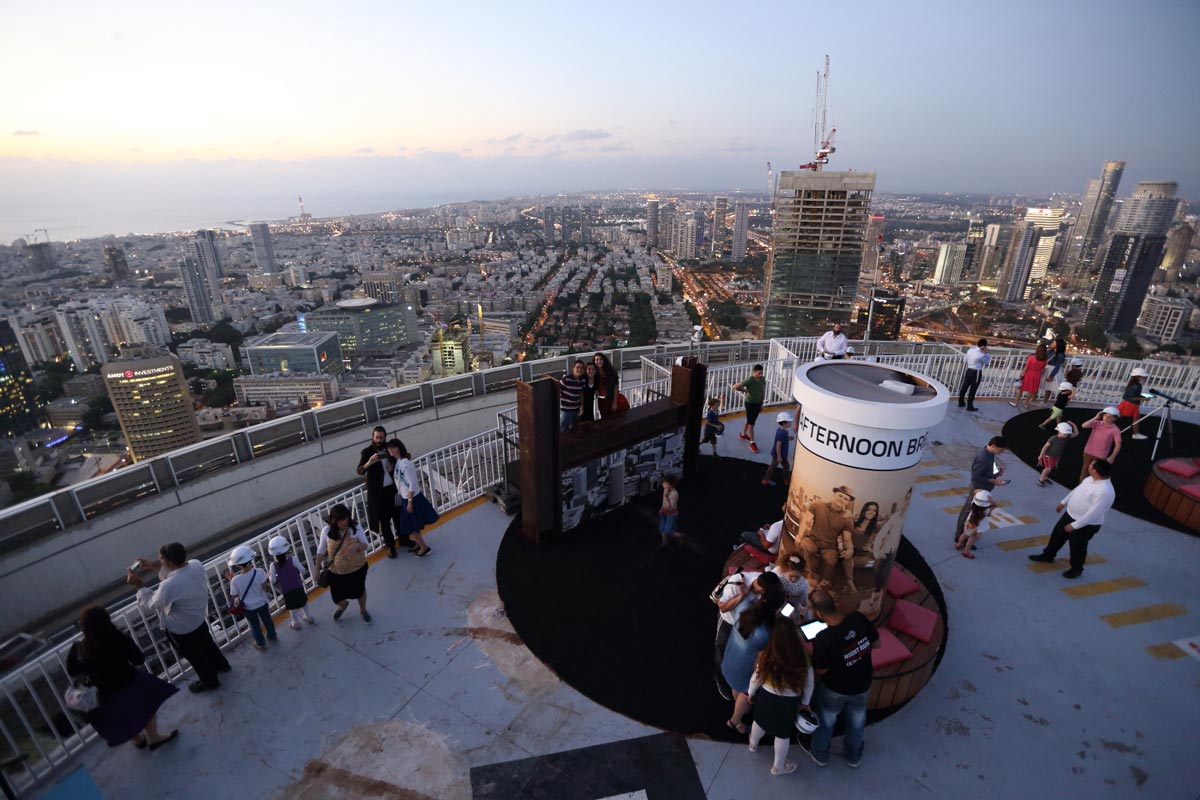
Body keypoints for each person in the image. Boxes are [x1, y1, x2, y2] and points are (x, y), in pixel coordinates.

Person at [66, 606, 179, 750]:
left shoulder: (79, 648)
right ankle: (153, 737)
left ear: (84, 627)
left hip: (103, 694)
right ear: (107, 620)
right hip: (130, 683)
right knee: (148, 704)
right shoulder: (119, 638)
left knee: (121, 717)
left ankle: (137, 739)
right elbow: (138, 659)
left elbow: (72, 671)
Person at [128, 542, 230, 693]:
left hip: (182, 629)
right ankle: (222, 665)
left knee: (196, 656)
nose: (160, 562)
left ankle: (210, 681)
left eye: (161, 559)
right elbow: (173, 574)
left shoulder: (169, 586)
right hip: (199, 618)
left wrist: (139, 586)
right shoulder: (196, 565)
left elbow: (151, 603)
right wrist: (151, 565)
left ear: (169, 562)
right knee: (208, 644)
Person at [806, 589, 879, 768]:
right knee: (857, 722)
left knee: (826, 722)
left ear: (818, 613)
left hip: (835, 689)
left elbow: (821, 670)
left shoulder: (823, 638)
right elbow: (877, 644)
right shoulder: (858, 618)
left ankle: (820, 754)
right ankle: (854, 756)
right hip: (863, 685)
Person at [1029, 458, 1116, 579]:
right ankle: (1048, 556)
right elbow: (1077, 490)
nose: (1088, 466)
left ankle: (1076, 569)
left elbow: (1093, 514)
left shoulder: (1104, 492)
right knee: (1057, 535)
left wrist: (1074, 525)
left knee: (1077, 546)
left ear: (1095, 471)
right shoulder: (1090, 479)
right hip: (1070, 515)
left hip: (1086, 525)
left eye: (1091, 465)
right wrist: (1064, 502)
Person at [747, 622, 815, 776]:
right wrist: (805, 703)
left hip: (765, 696)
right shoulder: (803, 656)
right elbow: (809, 682)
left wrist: (751, 692)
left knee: (759, 721)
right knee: (783, 734)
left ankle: (752, 745)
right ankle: (778, 767)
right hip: (789, 702)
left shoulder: (768, 653)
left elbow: (757, 676)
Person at [721, 573, 785, 734]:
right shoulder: (765, 633)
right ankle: (735, 721)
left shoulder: (743, 611)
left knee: (736, 687)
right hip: (744, 672)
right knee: (745, 693)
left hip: (729, 662)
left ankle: (738, 703)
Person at [713, 569, 766, 700]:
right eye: (762, 591)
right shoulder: (736, 583)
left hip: (745, 625)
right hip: (728, 621)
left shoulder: (766, 586)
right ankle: (722, 682)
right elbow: (723, 607)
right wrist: (742, 595)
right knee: (721, 650)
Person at [315, 504, 372, 623]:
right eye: (340, 520)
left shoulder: (355, 528)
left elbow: (366, 545)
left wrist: (357, 546)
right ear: (334, 521)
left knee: (359, 591)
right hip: (336, 572)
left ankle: (363, 610)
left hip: (357, 568)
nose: (344, 522)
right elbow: (321, 551)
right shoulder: (327, 531)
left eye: (346, 518)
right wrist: (316, 570)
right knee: (336, 596)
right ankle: (343, 604)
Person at [357, 425, 402, 559]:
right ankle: (390, 545)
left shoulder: (389, 449)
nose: (379, 440)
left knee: (398, 515)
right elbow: (360, 470)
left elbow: (400, 458)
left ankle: (404, 539)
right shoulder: (367, 452)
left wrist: (391, 467)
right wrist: (369, 463)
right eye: (377, 437)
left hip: (392, 490)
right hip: (378, 493)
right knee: (384, 520)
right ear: (373, 437)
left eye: (381, 438)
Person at [800, 486, 855, 591]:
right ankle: (808, 575)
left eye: (846, 499)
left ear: (848, 503)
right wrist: (799, 536)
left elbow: (847, 539)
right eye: (840, 495)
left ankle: (822, 586)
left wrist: (850, 549)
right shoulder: (817, 506)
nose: (842, 499)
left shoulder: (847, 518)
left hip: (829, 547)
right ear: (834, 495)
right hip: (813, 540)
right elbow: (806, 521)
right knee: (805, 544)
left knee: (831, 559)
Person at [955, 436, 1009, 543]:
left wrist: (996, 472)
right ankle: (960, 535)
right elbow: (976, 477)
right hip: (977, 489)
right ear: (993, 446)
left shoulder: (989, 453)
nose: (1001, 452)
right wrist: (994, 481)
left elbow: (991, 465)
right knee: (968, 511)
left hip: (983, 488)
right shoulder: (983, 458)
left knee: (970, 510)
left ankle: (965, 533)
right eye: (1001, 450)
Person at [390, 439, 436, 557]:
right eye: (389, 448)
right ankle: (420, 544)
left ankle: (424, 547)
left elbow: (413, 483)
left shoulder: (405, 463)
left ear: (399, 448)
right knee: (412, 525)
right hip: (407, 498)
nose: (391, 450)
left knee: (411, 526)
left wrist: (409, 501)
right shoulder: (398, 462)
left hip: (411, 499)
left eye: (393, 448)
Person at [225, 546, 276, 651]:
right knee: (267, 620)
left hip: (249, 608)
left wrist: (230, 579)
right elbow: (264, 588)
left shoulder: (235, 580)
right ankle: (272, 636)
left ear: (238, 565)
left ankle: (261, 644)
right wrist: (266, 579)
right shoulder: (260, 571)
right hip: (262, 602)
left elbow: (234, 594)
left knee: (255, 626)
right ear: (251, 559)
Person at [268, 536, 314, 630]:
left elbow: (272, 581)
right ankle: (308, 617)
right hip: (298, 586)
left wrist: (270, 576)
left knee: (292, 608)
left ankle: (296, 624)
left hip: (286, 590)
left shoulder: (273, 565)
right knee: (303, 602)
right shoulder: (293, 559)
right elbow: (303, 570)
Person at [843, 501, 880, 591]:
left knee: (848, 561)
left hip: (863, 555)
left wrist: (871, 548)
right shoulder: (854, 523)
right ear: (864, 510)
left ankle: (851, 583)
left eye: (874, 511)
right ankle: (850, 584)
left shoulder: (875, 527)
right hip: (851, 550)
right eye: (869, 509)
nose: (871, 512)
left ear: (876, 514)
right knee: (847, 559)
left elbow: (881, 540)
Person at [1079, 407, 1121, 483]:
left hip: (1100, 455)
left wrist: (1112, 457)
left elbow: (1118, 444)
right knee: (1085, 469)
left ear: (1114, 419)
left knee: (1095, 472)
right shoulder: (1097, 423)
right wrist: (1095, 417)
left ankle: (1091, 487)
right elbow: (1084, 425)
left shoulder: (1115, 429)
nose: (1105, 418)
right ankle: (1080, 486)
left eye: (1109, 416)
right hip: (1088, 451)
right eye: (1105, 415)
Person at [732, 364, 766, 453]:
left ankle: (743, 434)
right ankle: (752, 442)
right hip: (750, 404)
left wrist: (761, 403)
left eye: (761, 373)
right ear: (754, 372)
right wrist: (745, 391)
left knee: (749, 419)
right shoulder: (750, 379)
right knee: (751, 423)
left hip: (758, 403)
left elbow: (762, 391)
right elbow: (735, 386)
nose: (760, 375)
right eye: (759, 373)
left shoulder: (762, 379)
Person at [954, 490, 994, 559]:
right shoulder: (986, 511)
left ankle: (958, 545)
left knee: (964, 534)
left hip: (969, 523)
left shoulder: (973, 505)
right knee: (971, 540)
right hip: (976, 528)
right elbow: (994, 505)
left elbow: (974, 495)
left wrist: (978, 492)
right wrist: (990, 500)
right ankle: (966, 552)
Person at [1037, 422, 1078, 487]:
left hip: (1056, 456)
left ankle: (1044, 477)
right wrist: (1040, 455)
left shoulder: (1066, 437)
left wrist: (1074, 425)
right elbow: (1045, 447)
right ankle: (1041, 480)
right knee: (1048, 468)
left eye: (1067, 434)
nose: (1066, 435)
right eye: (1065, 433)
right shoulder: (1053, 438)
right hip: (1049, 456)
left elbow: (1076, 434)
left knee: (1050, 468)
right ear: (1059, 431)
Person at [771, 554, 810, 621]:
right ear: (785, 569)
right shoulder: (778, 572)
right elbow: (769, 581)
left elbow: (804, 602)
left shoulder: (804, 584)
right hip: (774, 601)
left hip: (790, 607)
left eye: (797, 577)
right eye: (791, 576)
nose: (794, 579)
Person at [1010, 342, 1048, 409]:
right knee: (1031, 390)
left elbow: (1026, 367)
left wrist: (1022, 373)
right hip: (1037, 376)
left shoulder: (1031, 357)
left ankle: (1016, 402)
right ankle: (1025, 403)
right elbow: (1043, 369)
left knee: (1021, 389)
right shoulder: (1045, 360)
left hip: (1028, 374)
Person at [957, 338, 990, 412]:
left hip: (969, 370)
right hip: (976, 372)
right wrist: (987, 353)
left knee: (964, 386)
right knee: (973, 389)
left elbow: (965, 360)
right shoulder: (981, 355)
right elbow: (987, 362)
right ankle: (970, 406)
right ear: (983, 346)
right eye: (986, 346)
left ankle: (961, 402)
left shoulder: (970, 350)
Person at [762, 412, 793, 487]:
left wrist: (788, 438)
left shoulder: (782, 430)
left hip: (778, 454)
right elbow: (778, 445)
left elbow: (781, 440)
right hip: (780, 455)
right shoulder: (782, 433)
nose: (791, 423)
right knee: (785, 466)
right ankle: (787, 481)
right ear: (784, 423)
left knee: (773, 466)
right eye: (789, 422)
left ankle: (766, 480)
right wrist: (779, 457)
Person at [1119, 368, 1150, 440]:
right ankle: (1135, 434)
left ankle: (1103, 424)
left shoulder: (1134, 385)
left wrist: (1142, 397)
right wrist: (1144, 398)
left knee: (1117, 415)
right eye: (1144, 377)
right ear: (1138, 377)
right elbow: (1132, 398)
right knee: (1136, 418)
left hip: (1125, 403)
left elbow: (1131, 396)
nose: (1145, 378)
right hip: (1131, 405)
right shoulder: (1137, 386)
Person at [559, 359, 587, 431]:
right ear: (573, 368)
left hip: (576, 409)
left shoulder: (582, 380)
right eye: (577, 367)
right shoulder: (566, 379)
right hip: (566, 410)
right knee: (564, 429)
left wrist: (582, 405)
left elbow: (581, 393)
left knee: (575, 429)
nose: (579, 369)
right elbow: (558, 391)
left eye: (581, 368)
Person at [657, 474, 682, 549]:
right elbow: (664, 502)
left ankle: (680, 536)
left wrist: (666, 496)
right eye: (663, 482)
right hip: (664, 512)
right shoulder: (666, 490)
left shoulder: (674, 494)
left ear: (671, 485)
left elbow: (671, 507)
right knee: (662, 529)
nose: (663, 484)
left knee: (668, 530)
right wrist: (661, 509)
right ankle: (665, 542)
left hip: (671, 514)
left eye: (665, 483)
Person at [593, 352, 619, 418]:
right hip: (601, 400)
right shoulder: (594, 373)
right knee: (604, 417)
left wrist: (614, 402)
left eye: (600, 359)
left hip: (611, 398)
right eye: (596, 360)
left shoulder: (611, 371)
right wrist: (595, 390)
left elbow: (616, 386)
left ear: (604, 360)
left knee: (614, 417)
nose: (599, 361)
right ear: (594, 361)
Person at [1042, 335, 1068, 402]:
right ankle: (1040, 399)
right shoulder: (1050, 352)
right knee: (1045, 385)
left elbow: (1057, 366)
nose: (1051, 344)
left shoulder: (1060, 355)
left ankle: (1045, 401)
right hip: (1047, 368)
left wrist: (1051, 376)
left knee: (1049, 387)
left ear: (1058, 345)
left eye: (1053, 343)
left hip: (1053, 370)